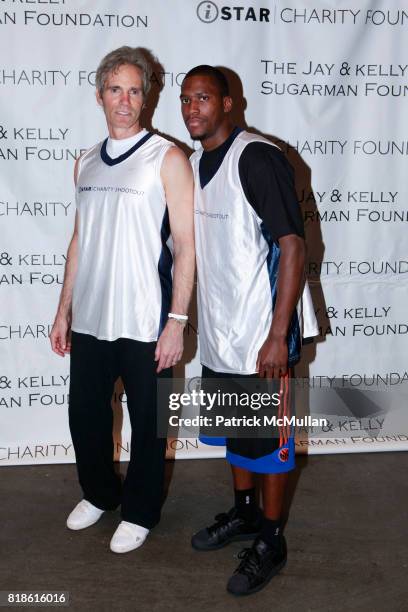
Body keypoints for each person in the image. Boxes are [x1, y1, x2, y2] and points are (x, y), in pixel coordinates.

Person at [50, 47, 195, 554]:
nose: (126, 101)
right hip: (91, 314)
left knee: (149, 424)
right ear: (99, 95)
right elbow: (78, 240)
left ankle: (140, 511)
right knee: (84, 416)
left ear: (147, 97)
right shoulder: (85, 161)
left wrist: (177, 320)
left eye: (135, 90)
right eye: (116, 89)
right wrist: (63, 309)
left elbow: (186, 246)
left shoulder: (168, 158)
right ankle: (99, 493)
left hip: (146, 318)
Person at [180, 65, 318, 595]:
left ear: (230, 103)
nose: (194, 108)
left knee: (269, 444)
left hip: (263, 336)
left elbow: (292, 246)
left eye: (205, 98)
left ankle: (273, 538)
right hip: (222, 332)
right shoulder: (193, 164)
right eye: (187, 100)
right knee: (238, 436)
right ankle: (244, 513)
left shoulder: (256, 157)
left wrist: (278, 334)